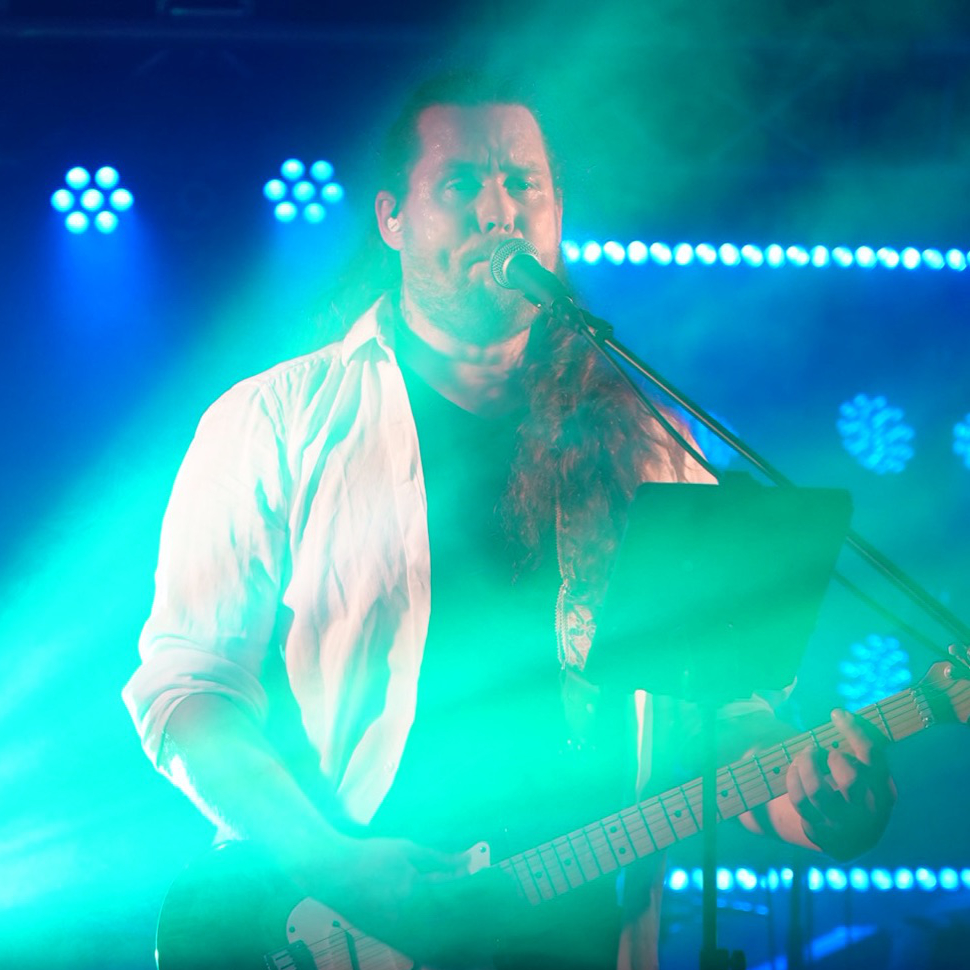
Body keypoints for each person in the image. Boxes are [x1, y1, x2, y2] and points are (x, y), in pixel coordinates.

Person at [123, 73, 896, 970]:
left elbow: (717, 715)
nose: (499, 211)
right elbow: (188, 690)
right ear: (392, 218)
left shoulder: (646, 441)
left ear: (557, 212)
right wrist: (333, 864)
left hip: (587, 933)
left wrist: (814, 799)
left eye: (523, 182)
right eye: (462, 183)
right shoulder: (275, 420)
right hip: (340, 926)